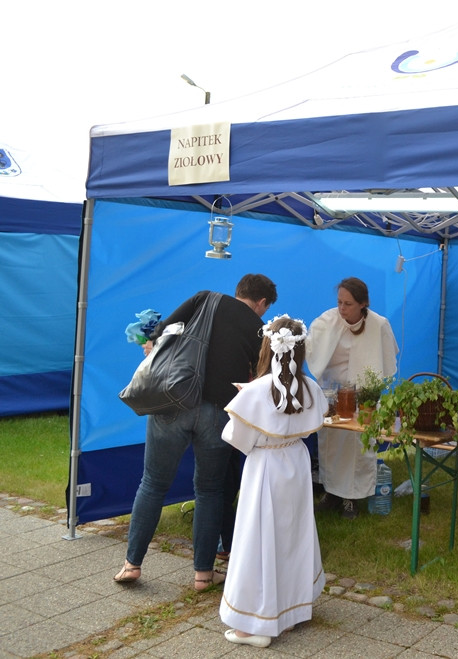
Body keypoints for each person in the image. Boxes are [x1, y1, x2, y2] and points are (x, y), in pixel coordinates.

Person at [113, 273, 278, 590]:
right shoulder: (260, 329)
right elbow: (261, 376)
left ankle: (132, 565)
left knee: (153, 484)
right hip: (216, 413)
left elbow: (162, 332)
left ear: (237, 290)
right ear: (262, 303)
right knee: (210, 491)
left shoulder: (205, 299)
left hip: (172, 402)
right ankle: (203, 574)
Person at [219, 315, 328, 648]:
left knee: (260, 540)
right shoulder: (311, 388)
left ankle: (258, 625)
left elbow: (237, 438)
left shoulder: (254, 392)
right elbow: (310, 425)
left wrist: (247, 400)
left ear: (267, 347)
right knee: (291, 537)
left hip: (265, 469)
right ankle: (290, 612)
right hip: (295, 462)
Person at [305, 277, 398, 519]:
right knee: (331, 446)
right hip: (333, 397)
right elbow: (309, 347)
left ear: (363, 304)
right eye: (339, 302)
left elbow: (388, 359)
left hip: (363, 399)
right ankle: (332, 493)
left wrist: (370, 392)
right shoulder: (327, 321)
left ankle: (352, 498)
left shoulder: (379, 325)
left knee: (358, 448)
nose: (342, 308)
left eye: (348, 304)